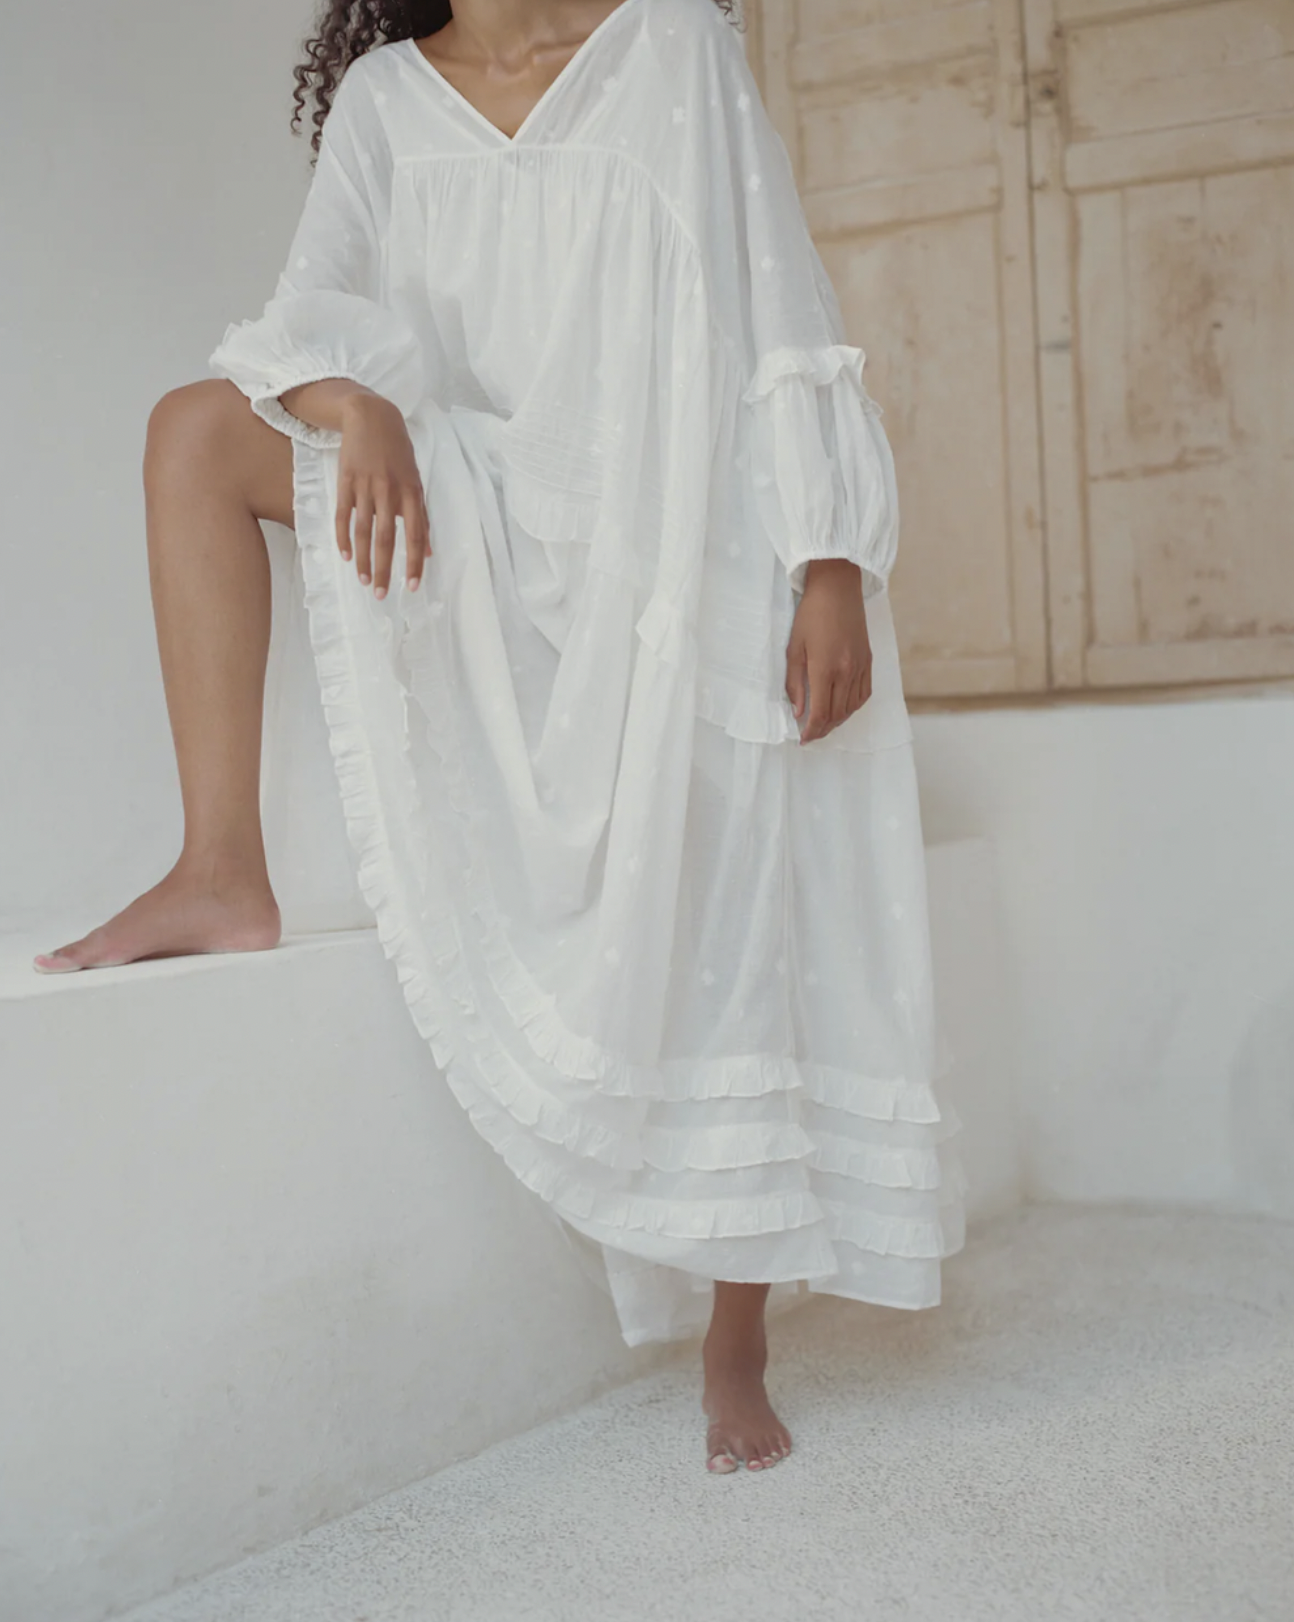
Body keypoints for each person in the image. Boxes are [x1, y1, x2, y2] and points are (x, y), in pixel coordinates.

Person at [33, 0, 965, 1474]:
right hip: (491, 505)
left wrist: (829, 556)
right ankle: (218, 865)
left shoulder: (674, 46)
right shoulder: (387, 106)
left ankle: (735, 1330)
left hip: (680, 524)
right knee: (191, 434)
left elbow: (780, 302)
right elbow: (308, 305)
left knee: (735, 834)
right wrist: (356, 404)